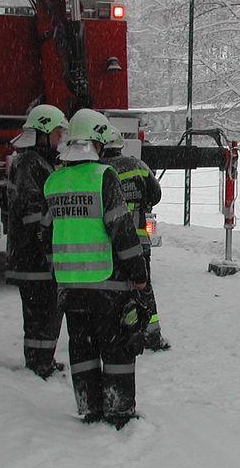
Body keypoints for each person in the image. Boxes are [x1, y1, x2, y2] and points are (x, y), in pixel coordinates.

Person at [43, 108, 149, 429]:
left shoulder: (53, 181)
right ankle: (118, 412)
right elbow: (120, 229)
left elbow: (45, 233)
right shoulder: (103, 177)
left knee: (82, 346)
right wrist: (138, 272)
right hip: (106, 282)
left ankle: (89, 407)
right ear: (96, 144)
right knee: (115, 347)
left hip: (70, 286)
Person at [6, 104, 67, 379]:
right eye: (57, 133)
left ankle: (41, 360)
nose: (60, 139)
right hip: (33, 256)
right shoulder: (30, 163)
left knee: (42, 314)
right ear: (42, 132)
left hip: (32, 255)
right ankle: (40, 364)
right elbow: (33, 210)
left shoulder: (33, 161)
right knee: (43, 313)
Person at [100, 124, 169, 351]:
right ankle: (151, 334)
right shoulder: (138, 166)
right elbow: (156, 194)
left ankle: (118, 332)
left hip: (112, 243)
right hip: (140, 241)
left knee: (114, 290)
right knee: (143, 287)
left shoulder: (99, 170)